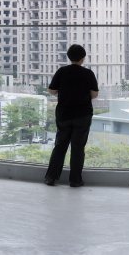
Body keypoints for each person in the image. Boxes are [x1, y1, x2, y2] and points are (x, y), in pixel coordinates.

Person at [44, 44, 98, 187]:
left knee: (60, 146)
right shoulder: (88, 74)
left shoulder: (62, 71)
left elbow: (52, 90)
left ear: (69, 57)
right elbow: (94, 94)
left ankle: (51, 177)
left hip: (64, 114)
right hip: (83, 114)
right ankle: (75, 180)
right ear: (83, 58)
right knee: (78, 147)